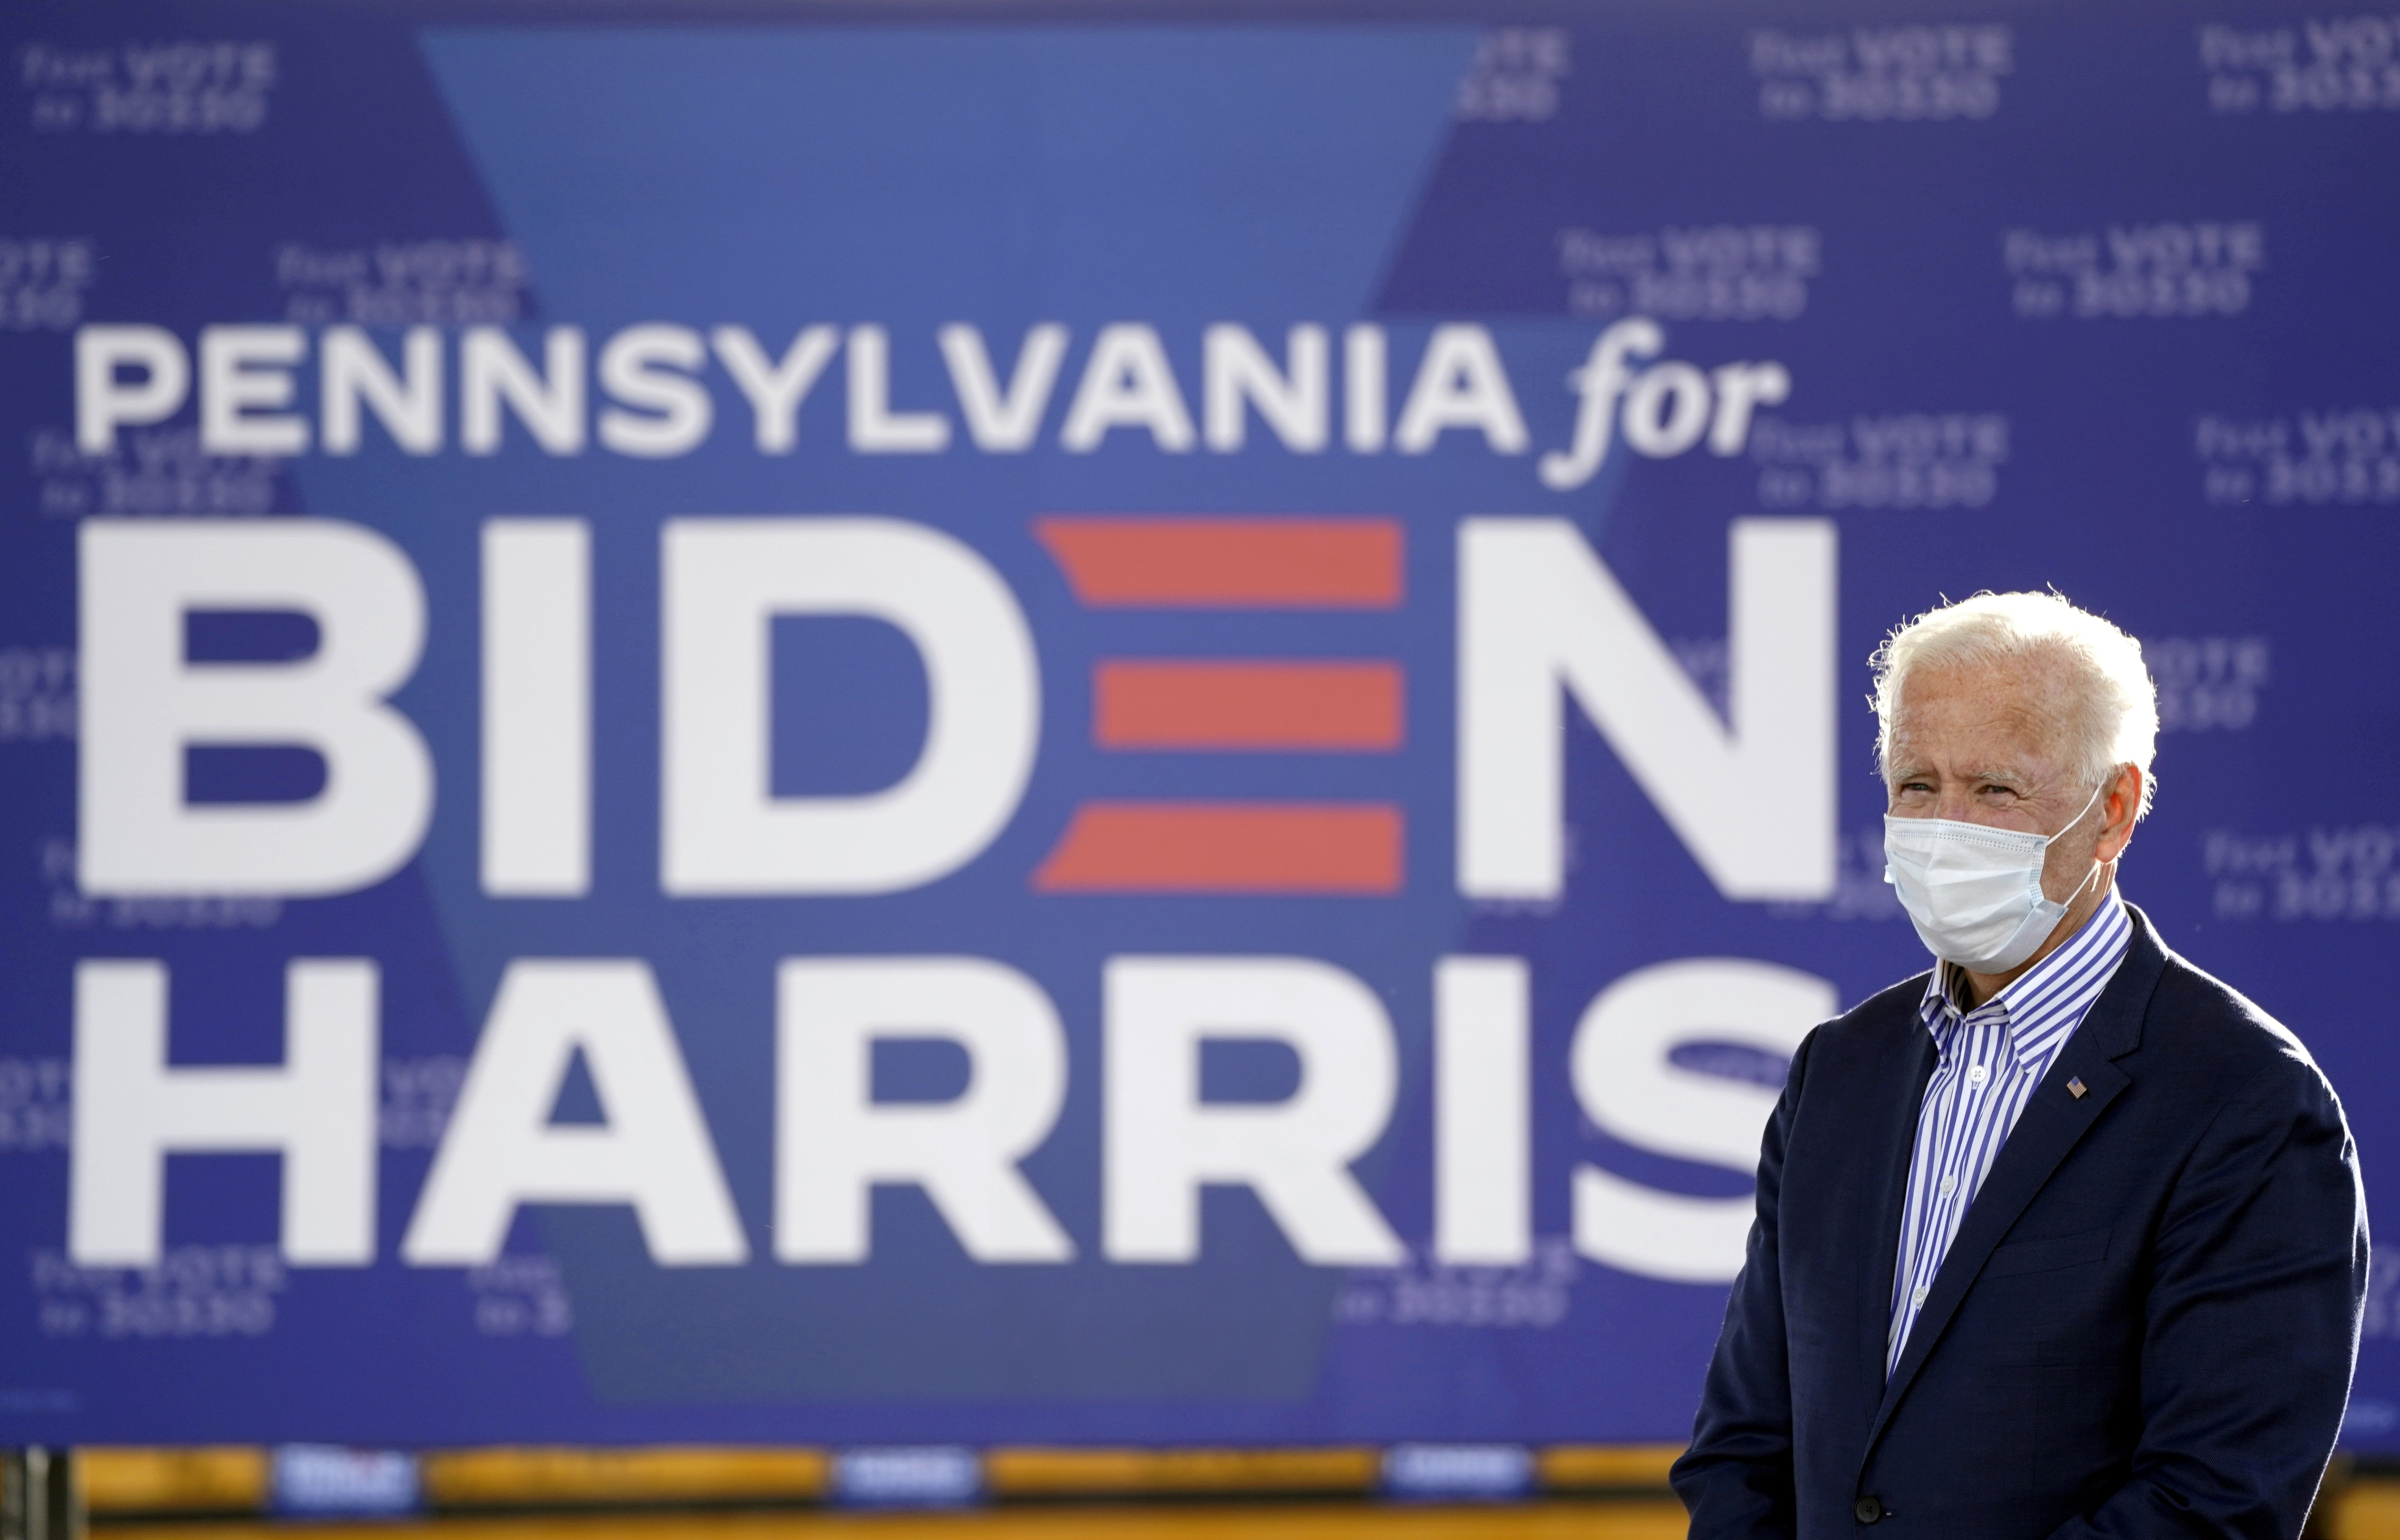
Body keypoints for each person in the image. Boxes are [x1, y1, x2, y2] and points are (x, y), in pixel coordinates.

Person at [1671, 591, 2367, 1538]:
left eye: (1995, 789)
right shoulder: (1840, 1073)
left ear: (2114, 810)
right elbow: (1742, 1452)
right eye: (1917, 785)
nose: (1946, 825)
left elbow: (2213, 1502)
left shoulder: (2249, 1104)